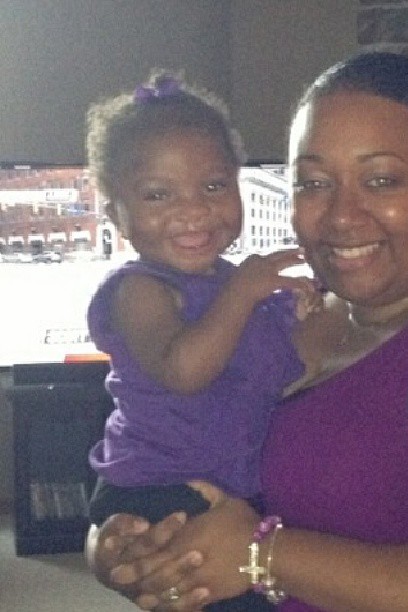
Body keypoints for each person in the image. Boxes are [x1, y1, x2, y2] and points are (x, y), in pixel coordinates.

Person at [86, 52, 408, 612]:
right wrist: (123, 548)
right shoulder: (284, 314)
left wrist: (263, 555)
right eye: (313, 183)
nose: (341, 215)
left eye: (381, 180)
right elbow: (167, 442)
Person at [84, 70, 343, 612]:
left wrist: (296, 315)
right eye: (158, 194)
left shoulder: (235, 288)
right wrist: (246, 290)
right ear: (116, 215)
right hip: (159, 485)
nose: (193, 209)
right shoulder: (140, 290)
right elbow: (184, 370)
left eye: (214, 186)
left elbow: (278, 375)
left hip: (232, 484)